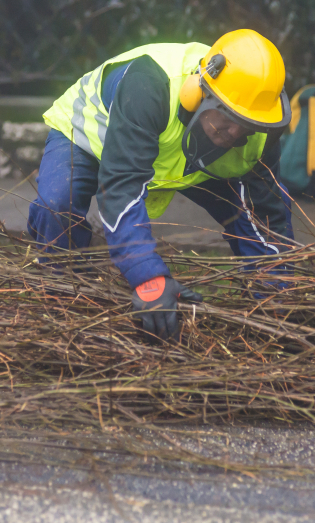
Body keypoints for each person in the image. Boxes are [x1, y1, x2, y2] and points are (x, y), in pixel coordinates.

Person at [28, 29, 295, 341]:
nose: (234, 133)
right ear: (198, 93)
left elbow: (266, 216)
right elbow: (122, 187)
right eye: (226, 119)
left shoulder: (260, 129)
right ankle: (61, 306)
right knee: (55, 207)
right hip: (92, 135)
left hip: (184, 161)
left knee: (260, 243)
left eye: (245, 124)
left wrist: (278, 300)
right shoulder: (150, 85)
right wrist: (148, 277)